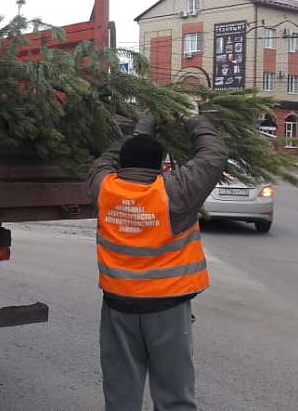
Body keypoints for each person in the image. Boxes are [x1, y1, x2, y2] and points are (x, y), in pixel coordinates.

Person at [86, 111, 227, 411]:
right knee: (174, 396)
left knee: (120, 394)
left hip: (117, 308)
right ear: (161, 167)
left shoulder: (104, 188)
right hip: (167, 309)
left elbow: (103, 161)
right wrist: (193, 121)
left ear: (122, 165)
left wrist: (140, 131)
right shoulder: (174, 192)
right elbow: (213, 156)